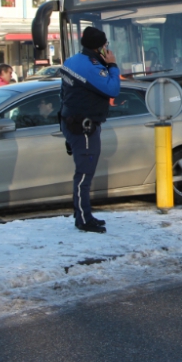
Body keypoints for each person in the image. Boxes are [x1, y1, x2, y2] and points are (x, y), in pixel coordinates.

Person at [60, 26, 121, 234]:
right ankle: (83, 219)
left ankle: (84, 215)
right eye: (105, 45)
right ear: (99, 47)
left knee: (84, 174)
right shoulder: (91, 66)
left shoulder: (72, 61)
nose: (107, 48)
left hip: (73, 123)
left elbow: (64, 94)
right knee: (84, 175)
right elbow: (112, 89)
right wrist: (112, 65)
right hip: (84, 127)